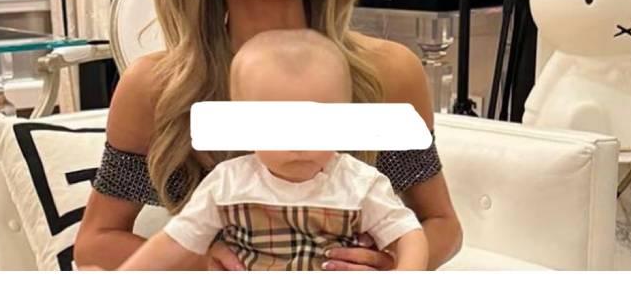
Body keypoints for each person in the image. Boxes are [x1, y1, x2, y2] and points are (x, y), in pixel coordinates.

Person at [74, 0, 462, 271]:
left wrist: (389, 265)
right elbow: (95, 242)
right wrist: (201, 264)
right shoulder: (156, 87)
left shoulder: (387, 73)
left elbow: (442, 224)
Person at [116, 29, 429, 271]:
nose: (299, 143)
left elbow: (409, 235)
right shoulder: (228, 183)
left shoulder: (360, 184)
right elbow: (173, 242)